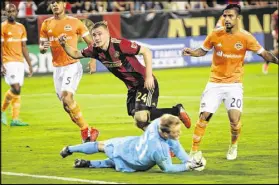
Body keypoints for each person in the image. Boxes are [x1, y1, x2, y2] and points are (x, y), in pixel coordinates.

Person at [182, 4, 278, 160]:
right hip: (214, 82)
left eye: (230, 16)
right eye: (225, 16)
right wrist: (192, 52)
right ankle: (193, 151)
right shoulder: (215, 34)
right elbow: (202, 50)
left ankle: (233, 146)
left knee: (234, 121)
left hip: (234, 84)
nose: (226, 19)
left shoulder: (246, 37)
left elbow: (264, 54)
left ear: (237, 18)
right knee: (204, 116)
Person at [58, 21, 192, 131]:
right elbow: (75, 54)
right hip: (132, 88)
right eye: (94, 35)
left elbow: (146, 51)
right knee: (139, 121)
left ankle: (176, 111)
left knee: (141, 117)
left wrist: (149, 76)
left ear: (108, 34)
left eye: (100, 34)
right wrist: (64, 45)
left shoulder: (120, 44)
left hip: (144, 82)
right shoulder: (94, 50)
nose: (97, 37)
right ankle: (164, 140)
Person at [39, 0, 99, 143]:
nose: (54, 5)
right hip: (57, 68)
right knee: (66, 106)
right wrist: (43, 48)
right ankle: (88, 129)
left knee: (67, 97)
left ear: (64, 5)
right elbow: (42, 48)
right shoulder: (46, 24)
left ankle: (85, 132)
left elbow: (91, 43)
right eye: (52, 2)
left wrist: (93, 60)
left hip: (72, 65)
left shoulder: (75, 22)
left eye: (57, 2)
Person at [60, 114, 206, 172]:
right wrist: (188, 166)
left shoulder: (157, 123)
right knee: (112, 158)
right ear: (165, 133)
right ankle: (84, 161)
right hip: (136, 162)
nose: (179, 134)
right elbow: (167, 168)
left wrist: (188, 160)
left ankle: (70, 150)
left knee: (101, 146)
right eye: (176, 132)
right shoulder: (158, 148)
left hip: (131, 145)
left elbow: (176, 145)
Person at [1, 3, 33, 126]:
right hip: (8, 61)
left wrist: (29, 64)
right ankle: (2, 110)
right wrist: (1, 64)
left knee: (18, 90)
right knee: (16, 88)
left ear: (17, 12)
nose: (11, 14)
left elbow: (24, 47)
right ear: (5, 13)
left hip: (19, 61)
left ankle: (15, 119)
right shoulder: (2, 27)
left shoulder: (21, 27)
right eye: (8, 11)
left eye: (13, 11)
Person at [262, 10, 278, 74]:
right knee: (276, 51)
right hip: (278, 34)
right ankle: (266, 62)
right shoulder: (276, 14)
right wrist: (273, 31)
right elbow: (273, 24)